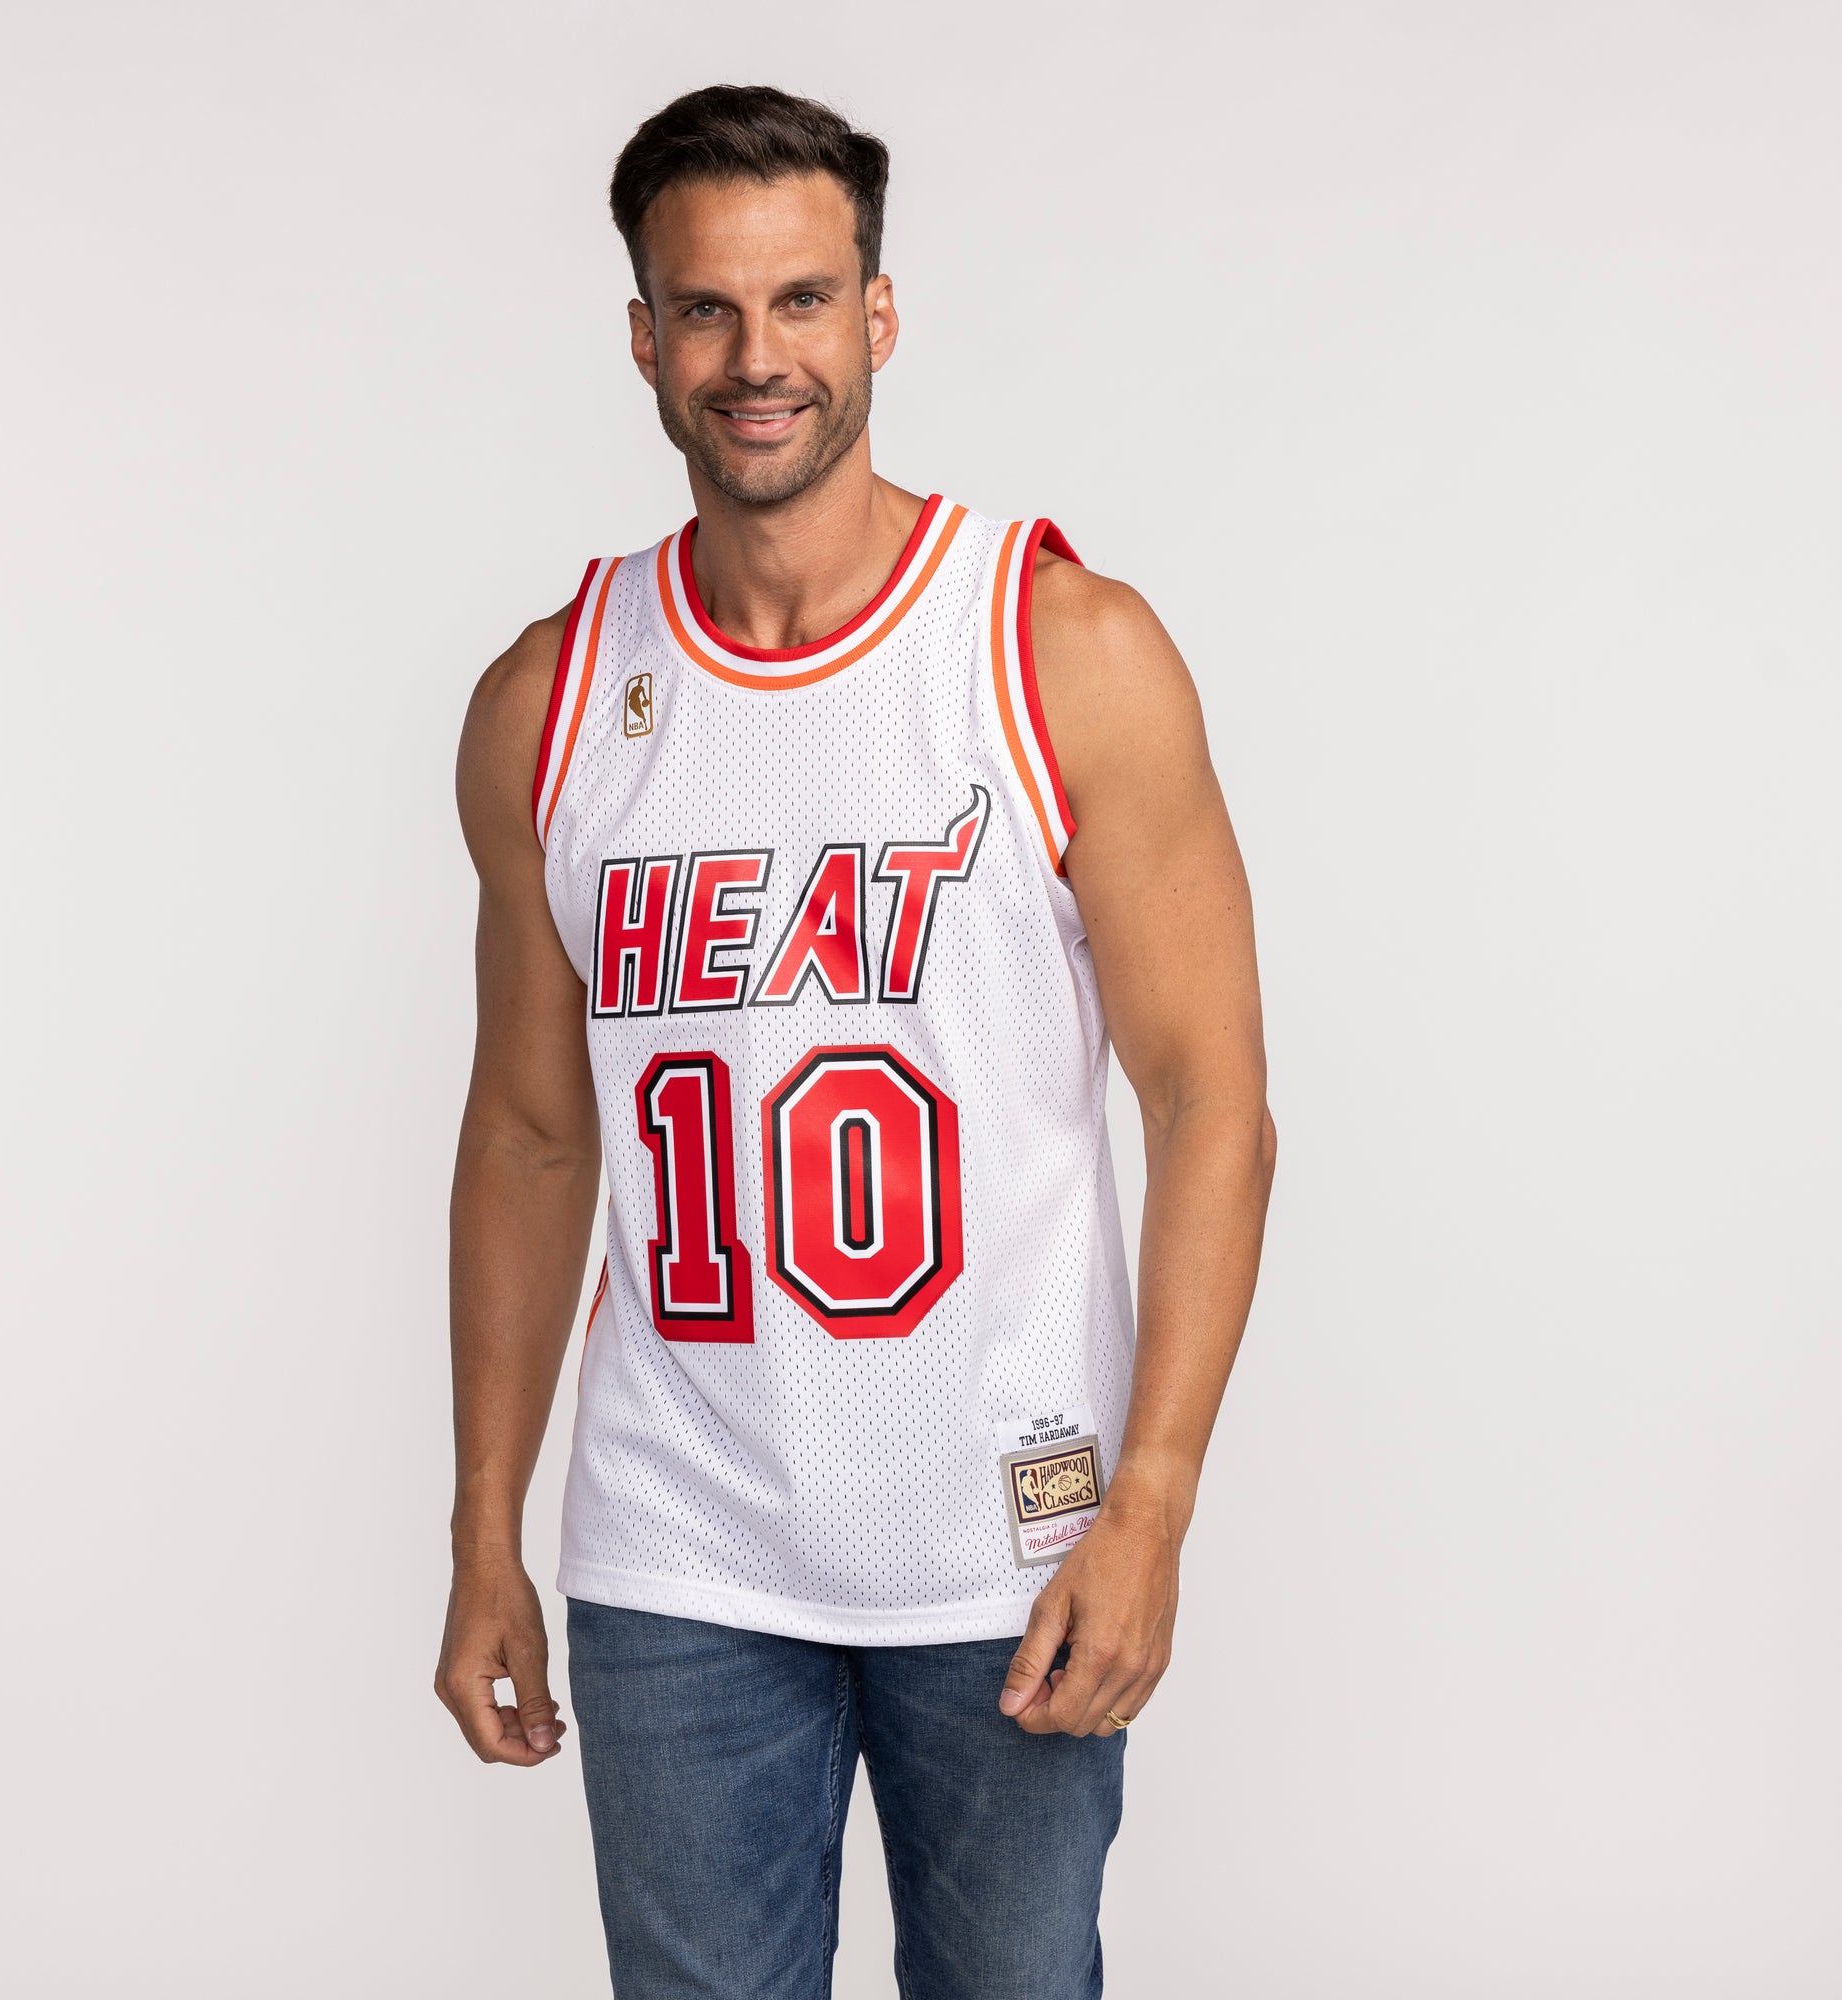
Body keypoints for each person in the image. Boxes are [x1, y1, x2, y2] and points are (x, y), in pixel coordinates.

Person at [434, 82, 1276, 2000]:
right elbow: (532, 1136)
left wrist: (1152, 1501)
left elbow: (1210, 1100)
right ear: (643, 337)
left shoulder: (1058, 648)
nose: (759, 358)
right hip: (678, 1541)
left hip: (1008, 1533)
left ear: (879, 314)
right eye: (708, 310)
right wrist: (486, 1528)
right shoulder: (546, 704)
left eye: (803, 300)